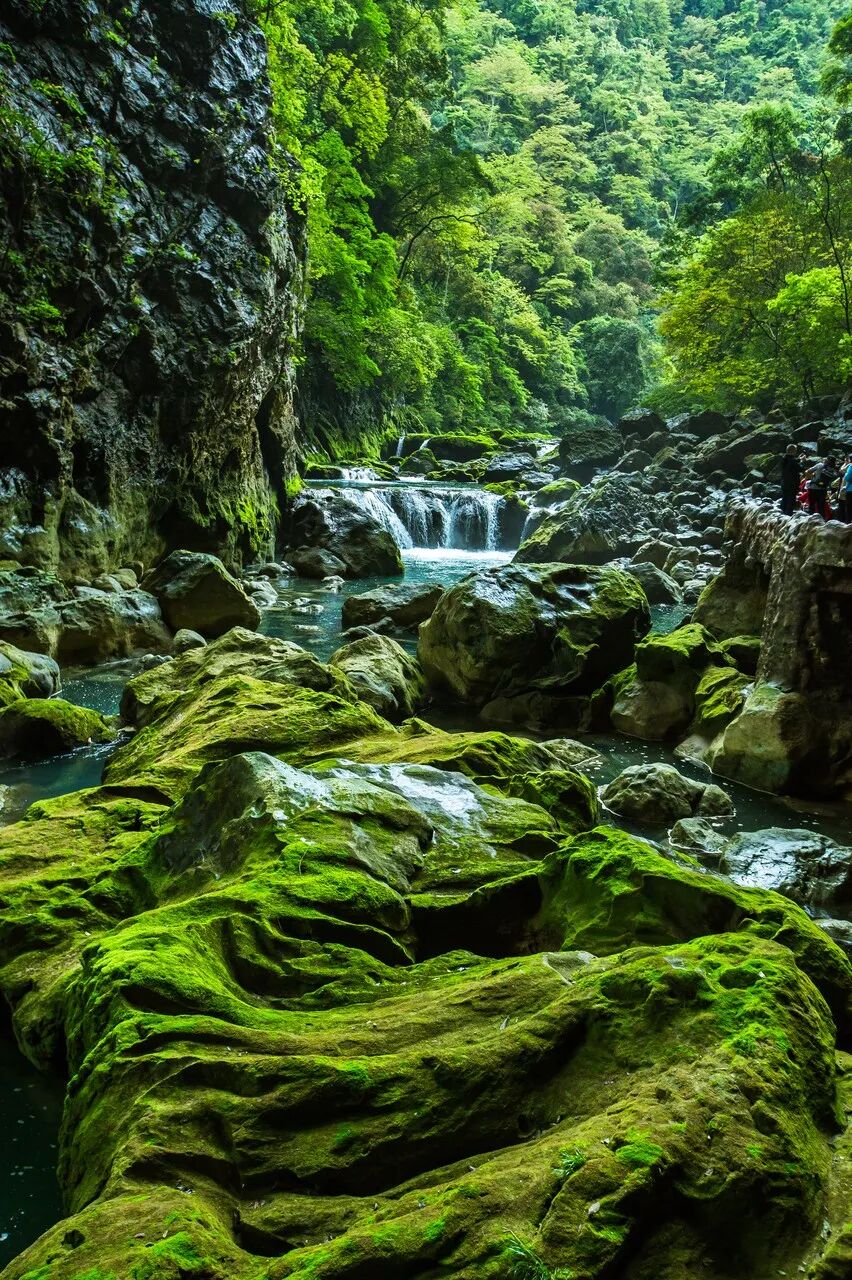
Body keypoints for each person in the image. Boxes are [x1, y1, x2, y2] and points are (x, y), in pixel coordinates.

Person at [780, 443, 801, 515]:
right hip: (792, 483)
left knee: (785, 498)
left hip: (784, 482)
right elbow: (800, 468)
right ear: (793, 451)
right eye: (795, 450)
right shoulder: (793, 461)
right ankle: (788, 514)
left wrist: (799, 459)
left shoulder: (784, 459)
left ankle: (782, 512)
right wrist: (803, 461)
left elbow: (791, 462)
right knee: (791, 499)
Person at [838, 451, 852, 523]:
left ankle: (847, 524)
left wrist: (846, 473)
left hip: (849, 489)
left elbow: (847, 477)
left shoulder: (850, 466)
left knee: (848, 508)